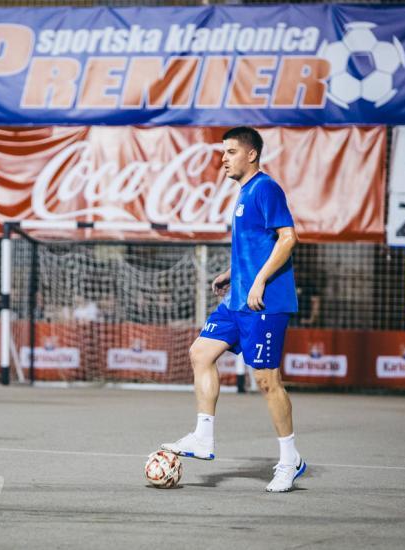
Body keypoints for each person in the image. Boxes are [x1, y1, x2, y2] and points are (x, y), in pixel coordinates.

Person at [161, 127, 305, 492]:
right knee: (201, 352)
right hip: (237, 297)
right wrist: (234, 272)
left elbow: (288, 238)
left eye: (230, 152)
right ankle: (203, 437)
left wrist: (258, 282)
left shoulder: (266, 188)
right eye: (222, 152)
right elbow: (258, 245)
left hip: (264, 301)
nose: (222, 158)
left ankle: (290, 460)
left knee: (266, 380)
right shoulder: (244, 193)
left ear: (251, 154)